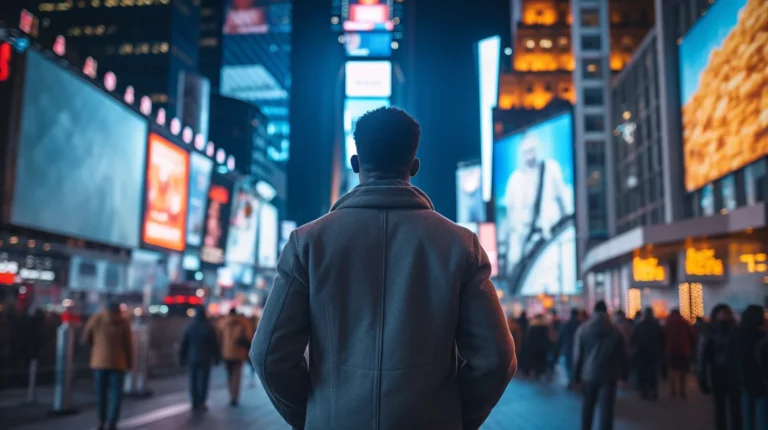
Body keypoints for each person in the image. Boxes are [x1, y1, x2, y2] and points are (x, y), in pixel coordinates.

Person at [251, 107, 516, 430]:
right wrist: (455, 416)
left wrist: (311, 415)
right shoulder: (461, 245)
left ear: (355, 163)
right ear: (414, 166)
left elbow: (267, 355)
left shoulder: (306, 243)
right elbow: (497, 359)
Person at [503, 133, 573, 281]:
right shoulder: (514, 180)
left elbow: (565, 204)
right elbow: (510, 222)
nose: (530, 156)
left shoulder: (551, 169)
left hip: (549, 241)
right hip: (524, 248)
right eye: (526, 151)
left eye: (532, 150)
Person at [573, 301, 628, 430]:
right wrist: (624, 376)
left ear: (594, 311)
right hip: (609, 375)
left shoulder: (583, 329)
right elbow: (623, 355)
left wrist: (575, 378)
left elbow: (578, 356)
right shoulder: (615, 330)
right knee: (607, 410)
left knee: (587, 407)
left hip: (588, 375)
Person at [81, 302, 133, 430]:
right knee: (116, 394)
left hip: (99, 362)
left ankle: (101, 421)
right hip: (119, 363)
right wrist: (130, 363)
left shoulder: (96, 318)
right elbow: (128, 345)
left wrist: (97, 347)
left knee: (101, 393)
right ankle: (112, 422)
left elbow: (86, 338)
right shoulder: (124, 322)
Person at [698, 304, 741, 430]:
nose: (724, 316)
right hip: (719, 374)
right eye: (722, 313)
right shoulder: (711, 331)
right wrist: (702, 377)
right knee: (721, 407)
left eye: (726, 313)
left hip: (731, 374)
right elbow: (703, 356)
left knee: (734, 408)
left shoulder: (733, 330)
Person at [733, 305, 768, 429]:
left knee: (747, 419)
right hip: (762, 382)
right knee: (763, 419)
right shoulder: (763, 337)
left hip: (744, 380)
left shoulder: (738, 335)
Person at [179, 306, 220, 411]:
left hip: (192, 357)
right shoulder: (209, 327)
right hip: (205, 358)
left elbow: (184, 343)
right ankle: (202, 401)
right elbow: (214, 344)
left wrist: (181, 357)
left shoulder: (190, 326)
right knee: (204, 380)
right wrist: (217, 357)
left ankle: (194, 401)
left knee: (193, 380)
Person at [218, 308, 253, 406]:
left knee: (229, 374)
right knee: (236, 375)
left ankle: (230, 394)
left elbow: (218, 336)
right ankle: (235, 396)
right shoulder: (244, 322)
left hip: (226, 353)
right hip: (239, 353)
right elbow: (249, 336)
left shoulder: (223, 322)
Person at [632, 308, 664, 400]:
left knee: (642, 371)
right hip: (654, 352)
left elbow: (634, 339)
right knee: (653, 372)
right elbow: (661, 339)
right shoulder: (657, 326)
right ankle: (653, 389)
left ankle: (644, 390)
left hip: (642, 352)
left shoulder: (639, 326)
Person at [664, 309, 695, 398]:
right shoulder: (685, 323)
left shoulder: (668, 324)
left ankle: (673, 391)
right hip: (684, 350)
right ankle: (682, 391)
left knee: (672, 371)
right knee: (683, 372)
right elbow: (692, 336)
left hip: (670, 351)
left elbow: (663, 337)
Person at [559, 308, 582, 389]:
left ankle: (571, 381)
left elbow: (561, 337)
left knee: (568, 366)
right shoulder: (581, 324)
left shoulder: (567, 324)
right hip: (578, 348)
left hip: (568, 348)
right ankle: (576, 382)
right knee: (577, 365)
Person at [527, 314, 553, 380]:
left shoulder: (532, 326)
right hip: (543, 347)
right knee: (542, 361)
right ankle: (540, 372)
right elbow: (548, 338)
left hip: (534, 347)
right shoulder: (546, 327)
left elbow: (529, 338)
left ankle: (535, 372)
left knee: (535, 360)